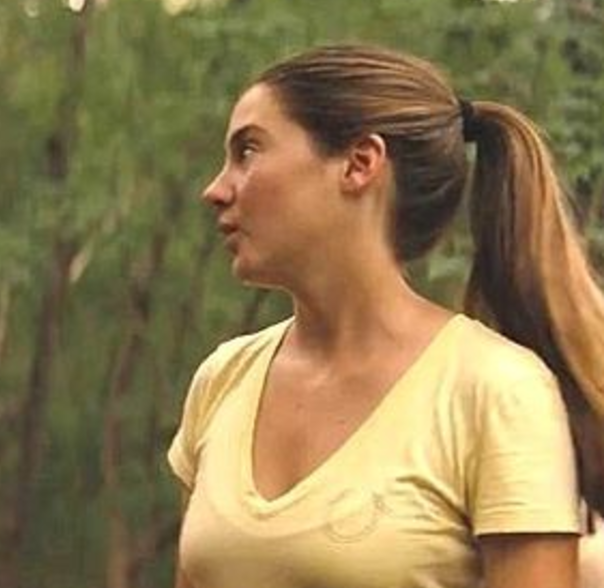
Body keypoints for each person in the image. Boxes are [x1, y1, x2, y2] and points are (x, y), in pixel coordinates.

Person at [168, 44, 604, 588]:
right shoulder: (222, 379)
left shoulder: (496, 389)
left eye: (248, 151)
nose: (215, 189)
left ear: (359, 164)